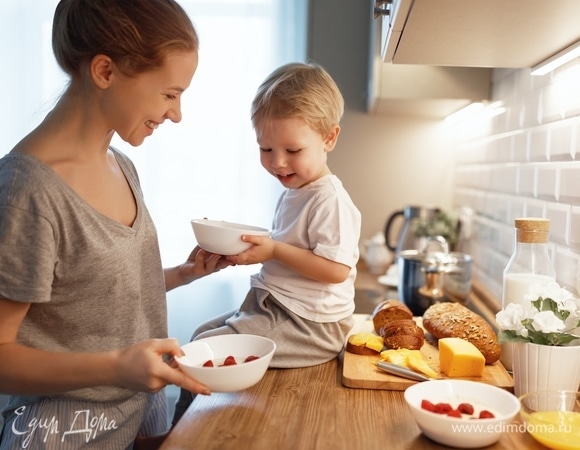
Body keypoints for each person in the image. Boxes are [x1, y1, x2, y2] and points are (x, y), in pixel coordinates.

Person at [0, 0, 231, 448]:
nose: (177, 114)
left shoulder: (121, 165)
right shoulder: (27, 192)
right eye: (169, 94)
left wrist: (185, 274)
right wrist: (116, 367)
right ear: (105, 71)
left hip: (136, 412)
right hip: (62, 431)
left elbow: (92, 302)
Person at [173, 61, 361, 424]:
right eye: (266, 149)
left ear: (329, 138)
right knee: (199, 336)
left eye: (292, 150)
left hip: (310, 326)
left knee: (198, 353)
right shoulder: (298, 190)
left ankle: (179, 435)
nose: (278, 163)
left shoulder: (330, 200)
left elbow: (337, 270)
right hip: (280, 310)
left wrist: (273, 250)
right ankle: (179, 428)